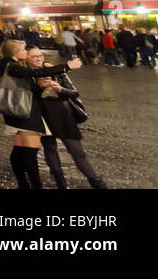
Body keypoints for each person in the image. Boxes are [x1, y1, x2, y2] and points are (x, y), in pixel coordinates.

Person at [0, 39, 82, 189]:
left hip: (18, 112)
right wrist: (66, 66)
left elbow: (29, 82)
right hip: (27, 113)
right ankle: (35, 185)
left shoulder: (7, 64)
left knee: (19, 151)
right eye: (23, 50)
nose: (25, 52)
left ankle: (23, 184)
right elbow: (35, 72)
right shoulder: (12, 65)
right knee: (29, 153)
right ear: (14, 52)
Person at [27, 47, 106, 189]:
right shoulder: (27, 75)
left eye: (40, 55)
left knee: (78, 152)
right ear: (26, 58)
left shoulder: (57, 70)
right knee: (50, 148)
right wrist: (35, 87)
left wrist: (59, 89)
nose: (38, 58)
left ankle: (96, 181)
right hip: (43, 117)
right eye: (34, 56)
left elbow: (74, 92)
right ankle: (60, 182)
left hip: (63, 115)